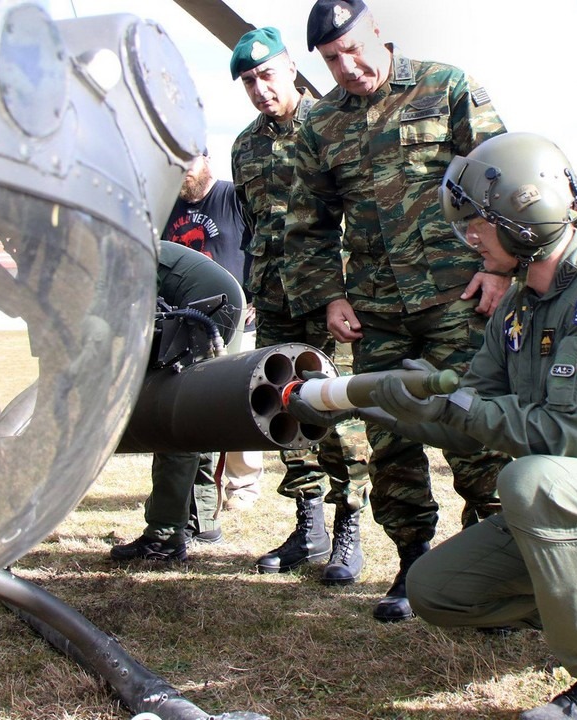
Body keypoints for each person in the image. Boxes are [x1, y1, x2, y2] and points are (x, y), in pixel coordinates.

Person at [297, 132, 577, 720]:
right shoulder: (520, 308)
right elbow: (475, 413)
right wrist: (383, 406)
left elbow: (563, 438)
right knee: (437, 589)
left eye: (477, 222)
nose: (467, 236)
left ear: (525, 216)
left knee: (529, 480)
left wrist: (458, 405)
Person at [282, 0, 510, 621]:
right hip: (376, 311)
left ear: (376, 30)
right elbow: (307, 224)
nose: (347, 65)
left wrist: (497, 269)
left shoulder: (447, 87)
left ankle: (493, 557)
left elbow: (504, 179)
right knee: (389, 440)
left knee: (478, 432)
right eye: (332, 59)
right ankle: (412, 559)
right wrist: (330, 294)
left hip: (458, 301)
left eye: (353, 48)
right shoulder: (320, 124)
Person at [229, 27, 372, 584]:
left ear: (290, 68)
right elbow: (253, 225)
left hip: (331, 297)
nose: (260, 89)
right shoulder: (244, 146)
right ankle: (307, 525)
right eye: (248, 82)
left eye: (266, 75)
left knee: (336, 408)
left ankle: (348, 526)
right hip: (273, 296)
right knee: (286, 407)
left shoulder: (331, 123)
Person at [162, 152, 264, 511]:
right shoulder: (166, 208)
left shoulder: (233, 197)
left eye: (187, 163)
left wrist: (255, 295)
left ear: (205, 160)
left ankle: (243, 484)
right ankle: (199, 491)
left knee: (240, 401)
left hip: (235, 318)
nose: (182, 173)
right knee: (192, 406)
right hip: (185, 324)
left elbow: (259, 246)